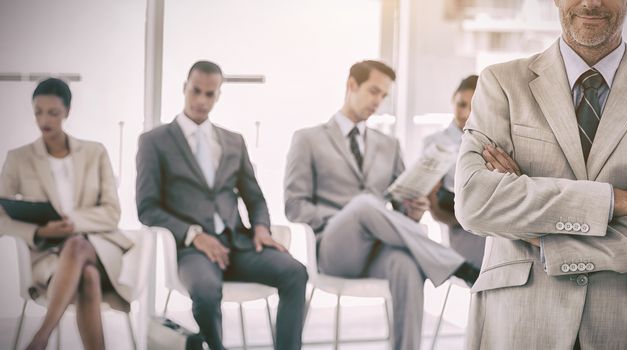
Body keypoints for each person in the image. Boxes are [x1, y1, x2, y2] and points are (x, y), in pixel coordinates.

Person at [454, 1, 627, 349]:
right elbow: (475, 202)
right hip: (518, 319)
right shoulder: (502, 83)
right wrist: (616, 201)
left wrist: (551, 242)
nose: (590, 2)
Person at [284, 60, 480, 350]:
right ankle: (458, 265)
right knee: (363, 205)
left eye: (384, 96)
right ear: (352, 85)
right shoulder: (308, 139)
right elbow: (294, 205)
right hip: (334, 248)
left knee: (408, 266)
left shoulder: (389, 145)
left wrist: (414, 209)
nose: (378, 101)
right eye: (373, 91)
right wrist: (350, 215)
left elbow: (401, 206)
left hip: (379, 248)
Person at [136, 61, 307, 350]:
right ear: (184, 88)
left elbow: (254, 197)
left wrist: (262, 229)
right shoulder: (154, 142)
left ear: (218, 96)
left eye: (209, 94)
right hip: (193, 252)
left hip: (239, 246)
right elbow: (147, 207)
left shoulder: (233, 141)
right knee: (205, 290)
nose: (201, 100)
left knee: (295, 272)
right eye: (196, 91)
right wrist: (194, 235)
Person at [0, 78, 136, 350]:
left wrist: (72, 224)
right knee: (88, 277)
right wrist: (40, 232)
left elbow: (112, 213)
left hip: (100, 250)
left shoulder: (95, 153)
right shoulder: (19, 158)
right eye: (38, 111)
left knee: (78, 244)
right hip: (49, 256)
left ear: (67, 112)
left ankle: (40, 338)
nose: (44, 120)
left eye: (53, 112)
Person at [423, 75, 485, 268]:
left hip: (490, 221)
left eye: (473, 108)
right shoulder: (434, 143)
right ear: (453, 101)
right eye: (461, 105)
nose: (466, 114)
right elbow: (433, 206)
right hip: (458, 226)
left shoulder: (489, 141)